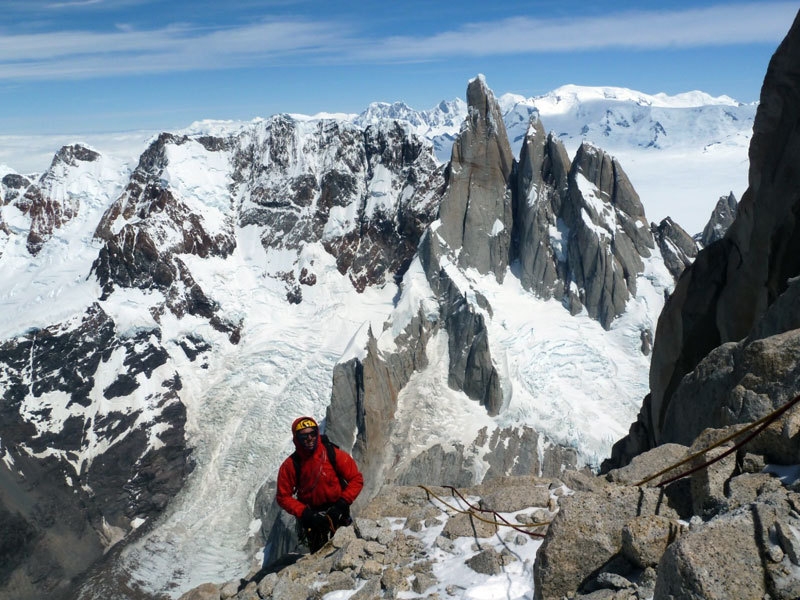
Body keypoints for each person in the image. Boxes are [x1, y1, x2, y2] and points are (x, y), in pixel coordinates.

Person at [276, 416, 364, 553]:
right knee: (319, 554)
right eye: (304, 436)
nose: (309, 438)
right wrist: (305, 513)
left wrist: (342, 503)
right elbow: (283, 497)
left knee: (347, 550)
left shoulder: (332, 454)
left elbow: (356, 479)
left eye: (312, 434)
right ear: (296, 438)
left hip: (338, 511)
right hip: (312, 517)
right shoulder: (291, 466)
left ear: (317, 434)